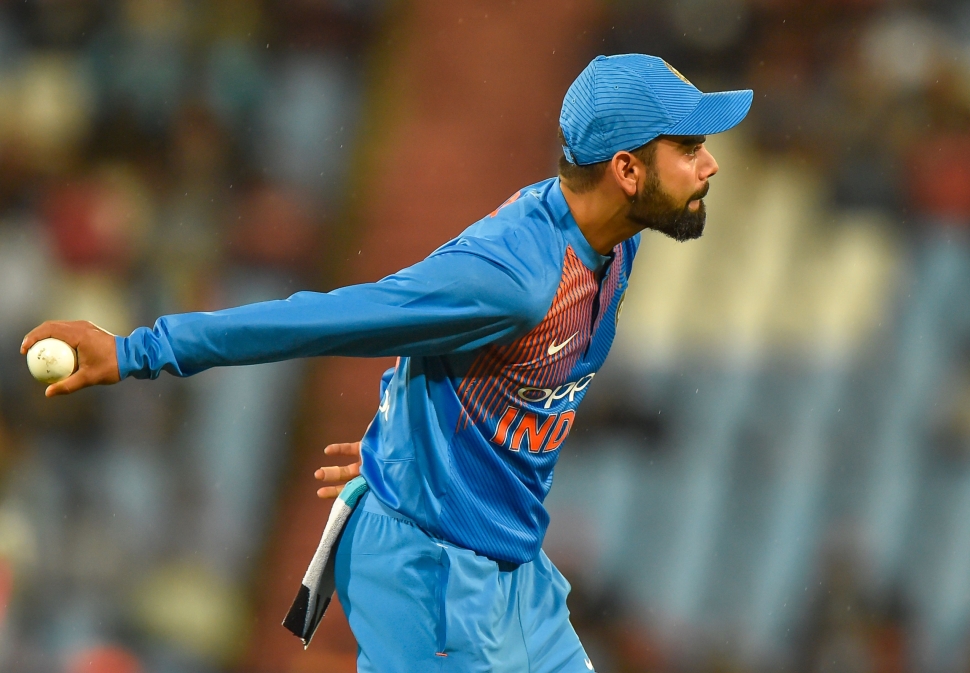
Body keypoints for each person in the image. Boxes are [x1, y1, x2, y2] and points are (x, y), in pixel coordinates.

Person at [22, 54, 751, 672]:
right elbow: (326, 318)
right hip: (426, 574)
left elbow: (464, 358)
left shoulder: (620, 237)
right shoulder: (513, 275)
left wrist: (397, 442)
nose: (710, 161)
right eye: (689, 146)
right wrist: (135, 350)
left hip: (512, 572)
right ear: (626, 169)